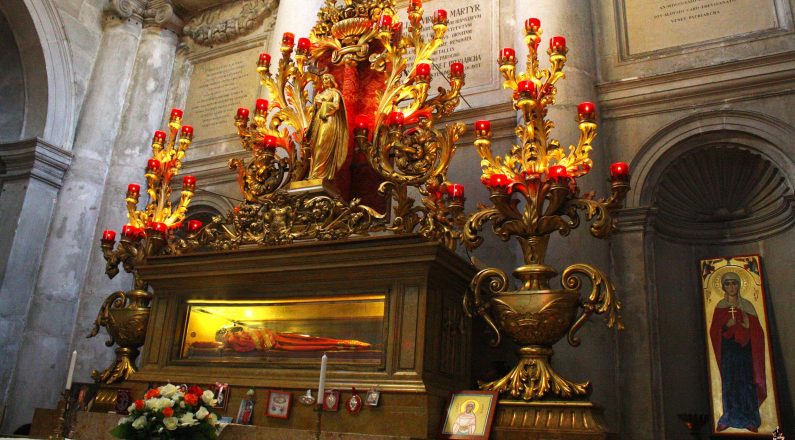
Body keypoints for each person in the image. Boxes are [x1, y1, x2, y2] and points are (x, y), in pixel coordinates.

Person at [709, 271, 766, 432]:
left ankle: (750, 419)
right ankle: (728, 417)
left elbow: (759, 332)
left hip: (745, 352)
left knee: (746, 383)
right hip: (728, 352)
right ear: (723, 287)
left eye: (734, 283)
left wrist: (748, 327)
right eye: (728, 284)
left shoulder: (747, 306)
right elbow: (714, 331)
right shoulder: (720, 307)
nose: (731, 287)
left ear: (739, 285)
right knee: (730, 383)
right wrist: (726, 325)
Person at [306, 73, 349, 180]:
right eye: (323, 79)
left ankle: (319, 174)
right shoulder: (318, 95)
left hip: (329, 119)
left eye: (326, 78)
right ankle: (313, 173)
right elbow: (314, 112)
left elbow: (336, 106)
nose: (324, 80)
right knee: (315, 147)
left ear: (331, 80)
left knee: (322, 144)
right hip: (318, 121)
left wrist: (324, 104)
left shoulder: (335, 93)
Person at [216, 325, 371, 352]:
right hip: (277, 340)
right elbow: (251, 344)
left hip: (277, 340)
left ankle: (350, 344)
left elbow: (250, 344)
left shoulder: (233, 339)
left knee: (311, 343)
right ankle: (349, 344)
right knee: (312, 342)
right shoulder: (233, 339)